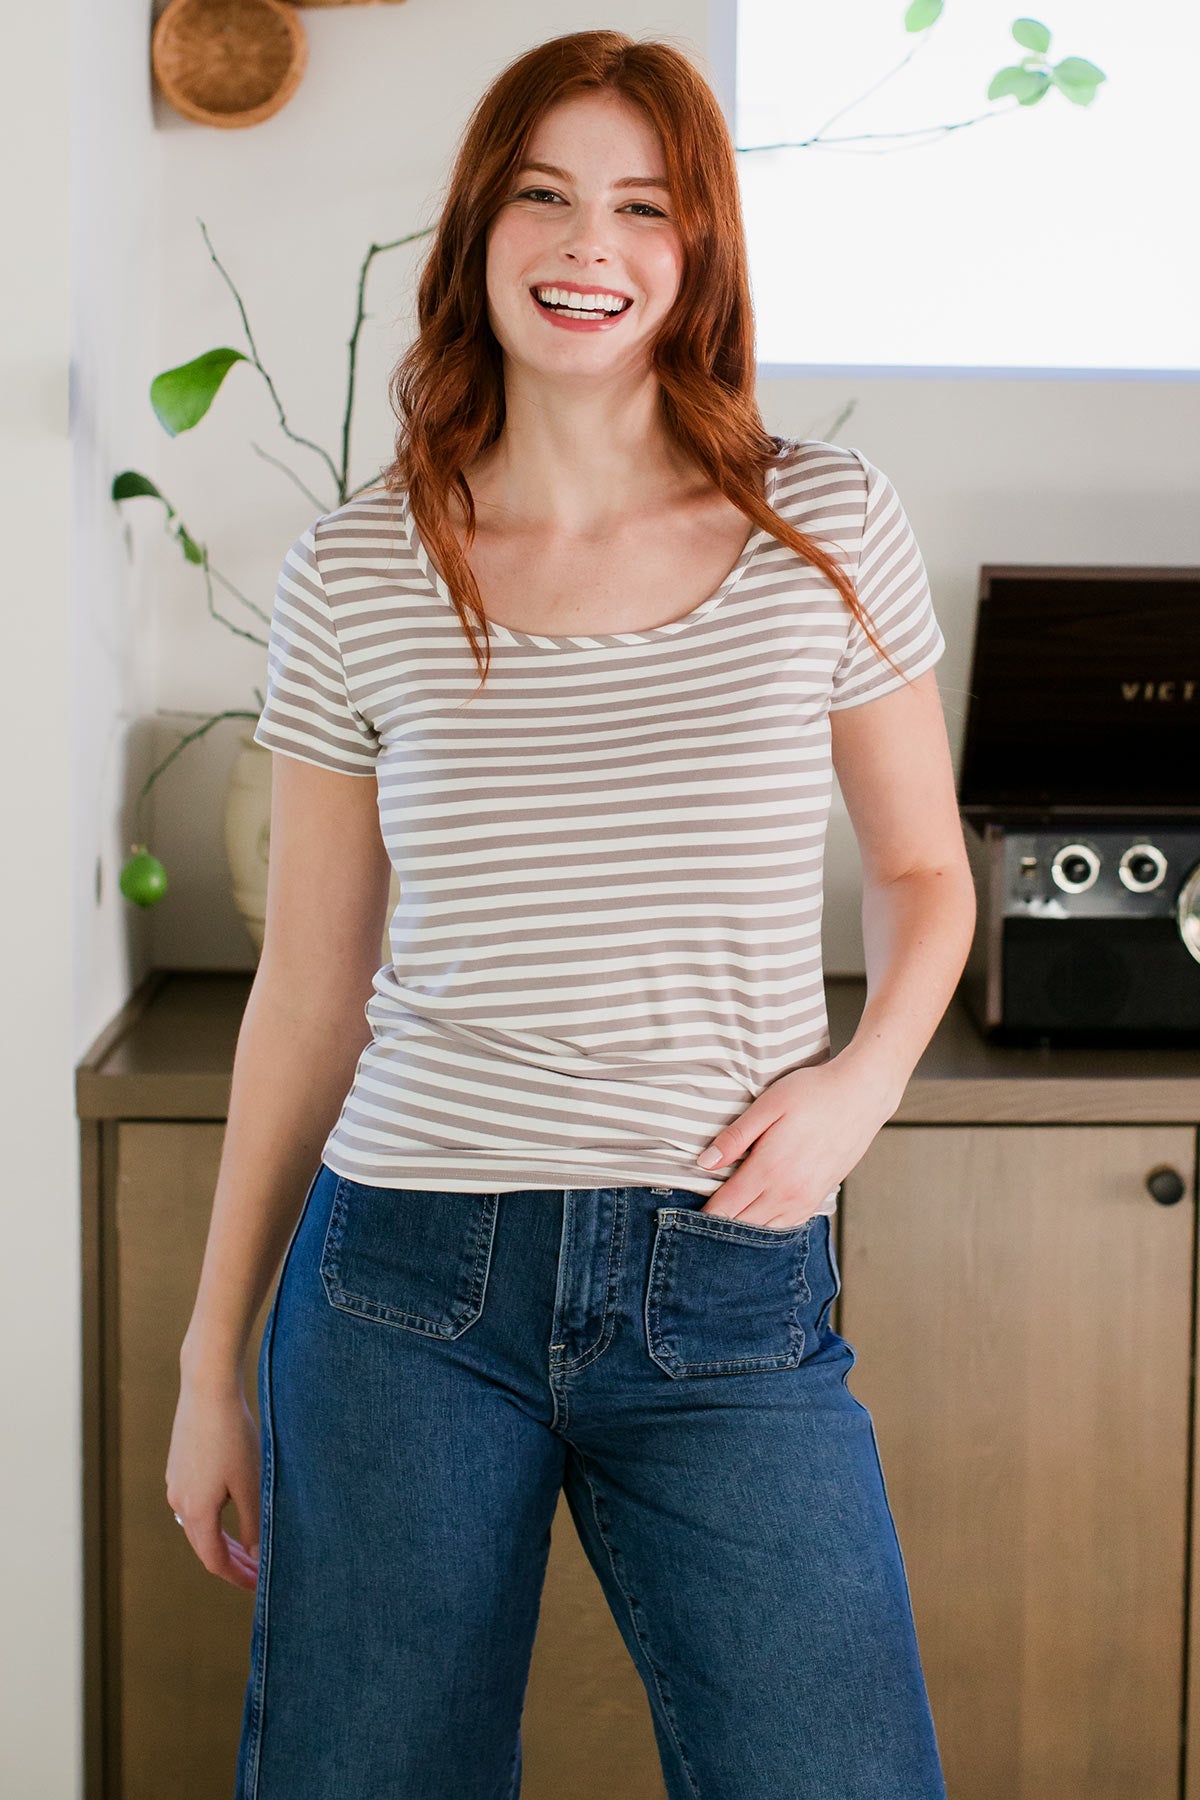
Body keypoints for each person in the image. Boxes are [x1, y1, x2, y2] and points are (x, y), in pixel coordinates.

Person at [166, 28, 976, 1800]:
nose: (585, 245)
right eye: (543, 196)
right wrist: (210, 1364)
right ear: (479, 233)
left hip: (726, 1280)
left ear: (697, 257)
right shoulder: (364, 564)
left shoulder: (823, 524)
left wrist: (856, 1091)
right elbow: (308, 987)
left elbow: (928, 876)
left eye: (642, 207)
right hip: (399, 1291)